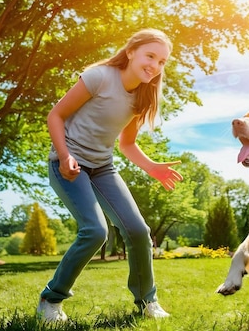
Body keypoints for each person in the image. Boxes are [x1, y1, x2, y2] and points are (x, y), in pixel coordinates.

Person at [36, 28, 183, 322]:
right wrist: (65, 156)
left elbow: (126, 143)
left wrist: (151, 167)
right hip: (68, 162)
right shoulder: (99, 77)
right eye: (150, 56)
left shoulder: (142, 96)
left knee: (138, 231)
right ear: (131, 52)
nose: (154, 65)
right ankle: (50, 301)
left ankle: (147, 301)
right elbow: (56, 115)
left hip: (102, 167)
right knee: (95, 232)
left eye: (162, 61)